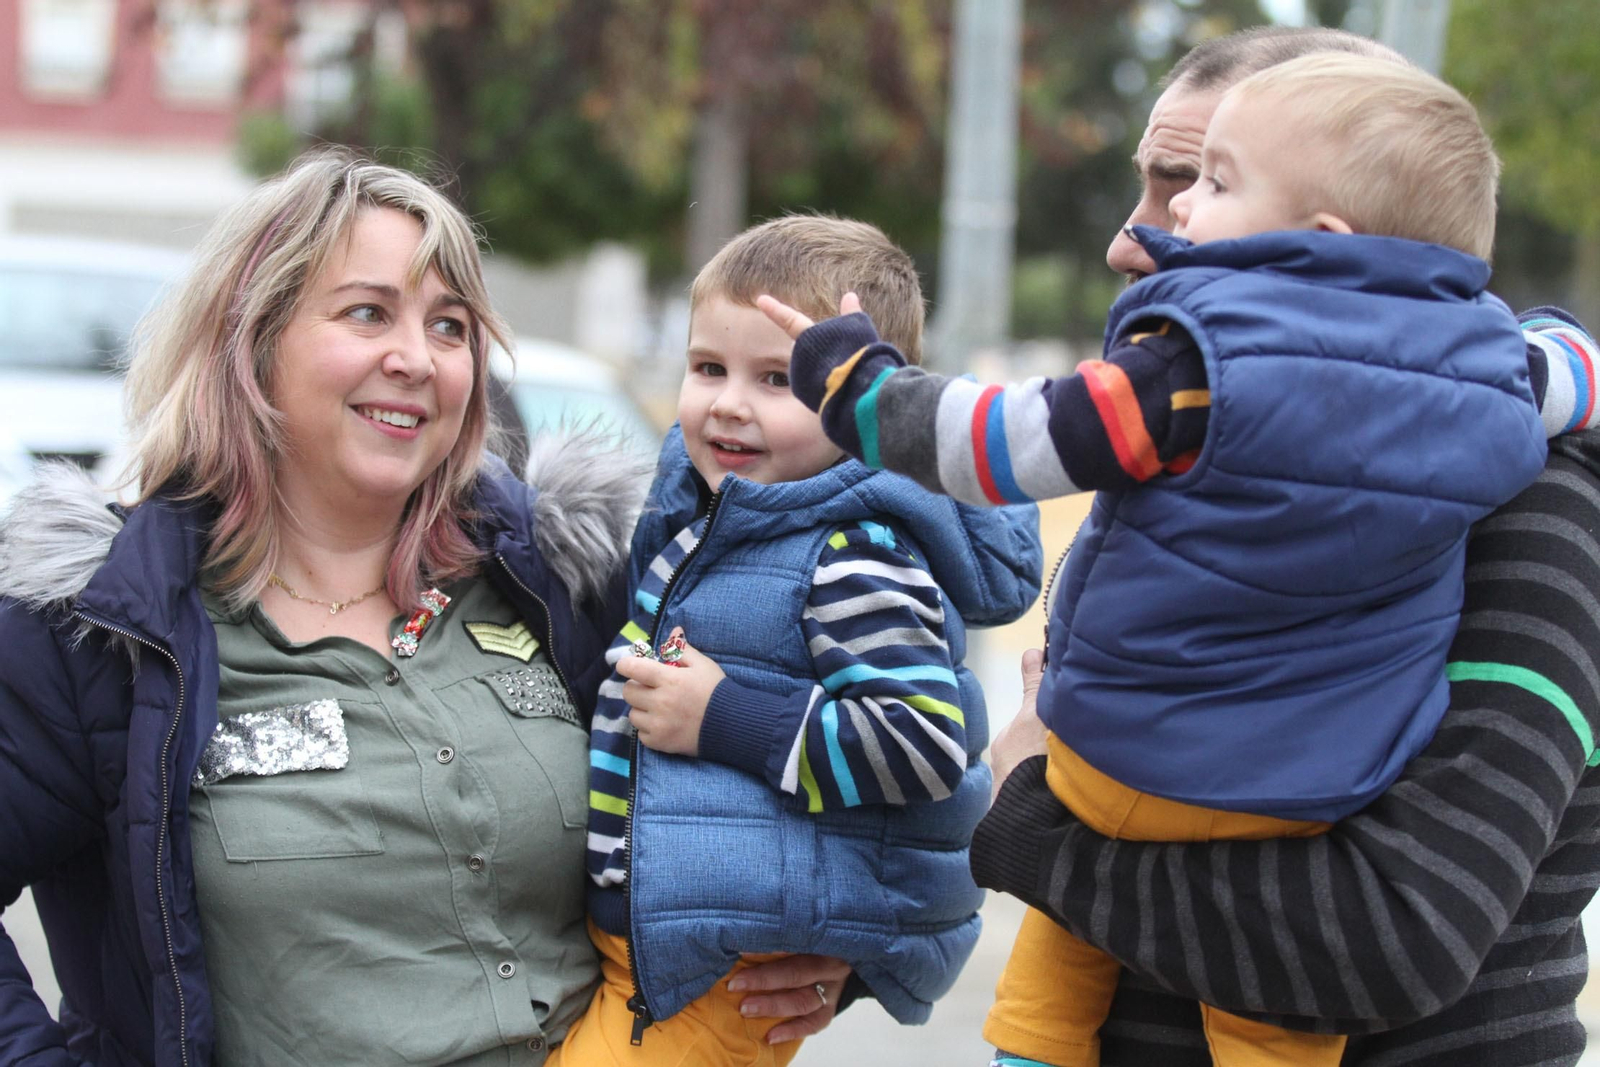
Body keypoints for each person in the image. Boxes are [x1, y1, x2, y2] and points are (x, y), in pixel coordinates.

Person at [760, 50, 1600, 1067]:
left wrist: (1028, 811)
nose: (1131, 236)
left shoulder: (1529, 508)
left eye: (1198, 180)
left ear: (1325, 241)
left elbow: (1392, 937)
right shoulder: (1200, 448)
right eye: (1154, 181)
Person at [0, 150, 849, 1067]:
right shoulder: (101, 629)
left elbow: (830, 744)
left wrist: (842, 947)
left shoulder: (563, 574)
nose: (415, 358)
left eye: (449, 326)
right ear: (250, 340)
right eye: (368, 312)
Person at [548, 214, 1042, 1066]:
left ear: (864, 410)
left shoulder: (854, 551)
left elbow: (920, 740)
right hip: (651, 949)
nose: (729, 403)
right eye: (708, 368)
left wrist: (722, 716)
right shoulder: (718, 524)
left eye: (779, 379)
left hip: (724, 973)